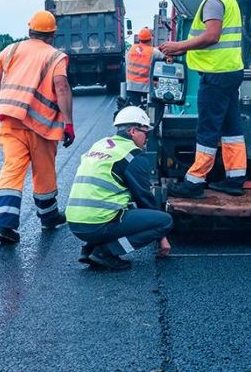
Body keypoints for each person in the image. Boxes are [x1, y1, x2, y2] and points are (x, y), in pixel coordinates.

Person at [159, 0, 247, 199]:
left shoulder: (213, 1)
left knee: (207, 129)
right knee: (231, 128)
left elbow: (212, 36)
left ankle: (195, 182)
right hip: (230, 72)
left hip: (217, 75)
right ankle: (235, 179)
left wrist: (178, 46)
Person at [0, 11, 74, 245]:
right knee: (43, 170)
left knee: (12, 169)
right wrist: (69, 123)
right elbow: (62, 87)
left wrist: (2, 111)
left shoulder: (10, 50)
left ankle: (4, 224)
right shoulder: (55, 57)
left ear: (29, 31)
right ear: (53, 34)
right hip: (41, 125)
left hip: (10, 121)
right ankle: (48, 217)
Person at [66, 106, 173, 271]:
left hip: (75, 222)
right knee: (164, 221)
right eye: (146, 133)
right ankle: (106, 252)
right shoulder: (132, 155)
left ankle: (89, 249)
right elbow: (143, 198)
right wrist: (161, 236)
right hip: (96, 224)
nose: (146, 139)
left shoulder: (100, 144)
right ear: (132, 131)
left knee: (121, 201)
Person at [125, 27, 164, 105]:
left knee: (135, 109)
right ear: (150, 39)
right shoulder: (154, 52)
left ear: (139, 39)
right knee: (150, 108)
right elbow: (165, 58)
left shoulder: (131, 49)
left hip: (131, 86)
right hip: (145, 87)